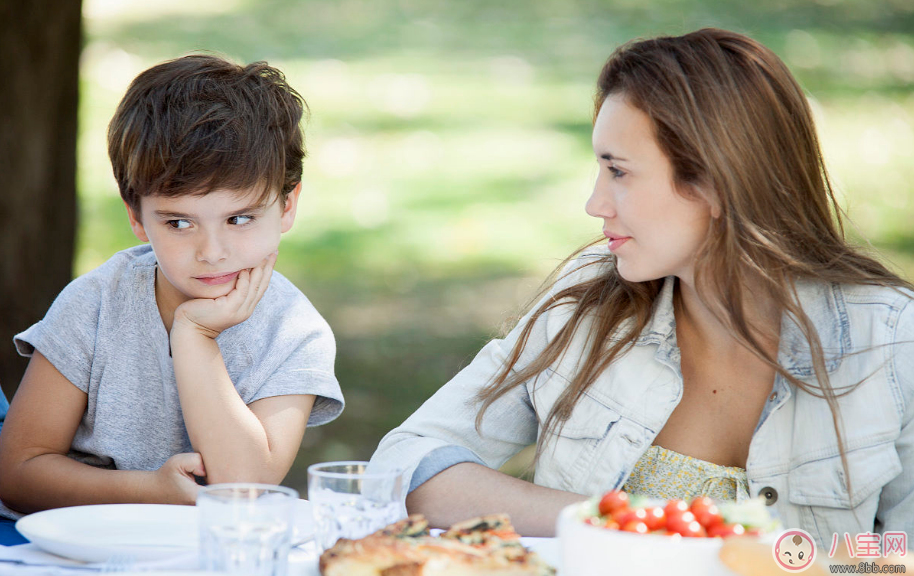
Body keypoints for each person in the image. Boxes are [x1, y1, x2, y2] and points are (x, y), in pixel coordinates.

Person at [369, 28, 914, 546]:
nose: (594, 203)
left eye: (619, 172)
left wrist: (796, 563)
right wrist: (611, 523)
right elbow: (407, 461)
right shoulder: (583, 307)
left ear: (716, 183)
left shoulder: (892, 342)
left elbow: (902, 554)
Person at [0, 56, 344, 529]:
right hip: (78, 549)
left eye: (239, 218)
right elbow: (16, 473)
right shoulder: (97, 304)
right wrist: (148, 491)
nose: (213, 252)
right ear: (137, 217)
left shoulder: (294, 333)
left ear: (287, 206)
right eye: (179, 222)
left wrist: (195, 338)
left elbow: (243, 487)